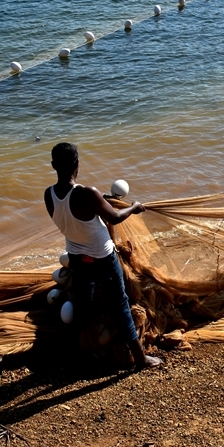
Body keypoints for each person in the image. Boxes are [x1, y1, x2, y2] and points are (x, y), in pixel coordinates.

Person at [44, 142, 161, 369]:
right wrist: (134, 207)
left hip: (77, 256)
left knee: (84, 300)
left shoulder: (49, 195)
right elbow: (116, 217)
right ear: (77, 164)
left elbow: (75, 216)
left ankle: (84, 348)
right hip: (102, 257)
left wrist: (101, 200)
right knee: (120, 303)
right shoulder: (88, 193)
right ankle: (140, 358)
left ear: (53, 166)